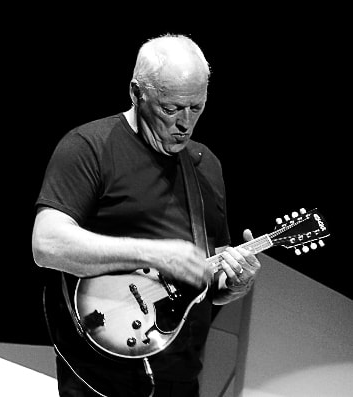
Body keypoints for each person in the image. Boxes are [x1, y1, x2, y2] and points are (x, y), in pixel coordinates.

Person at [32, 34, 261, 397]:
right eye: (170, 109)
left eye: (196, 107)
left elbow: (203, 284)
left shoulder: (206, 166)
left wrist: (234, 284)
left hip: (179, 376)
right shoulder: (89, 146)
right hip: (98, 374)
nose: (184, 123)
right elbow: (46, 244)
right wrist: (153, 253)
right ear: (137, 93)